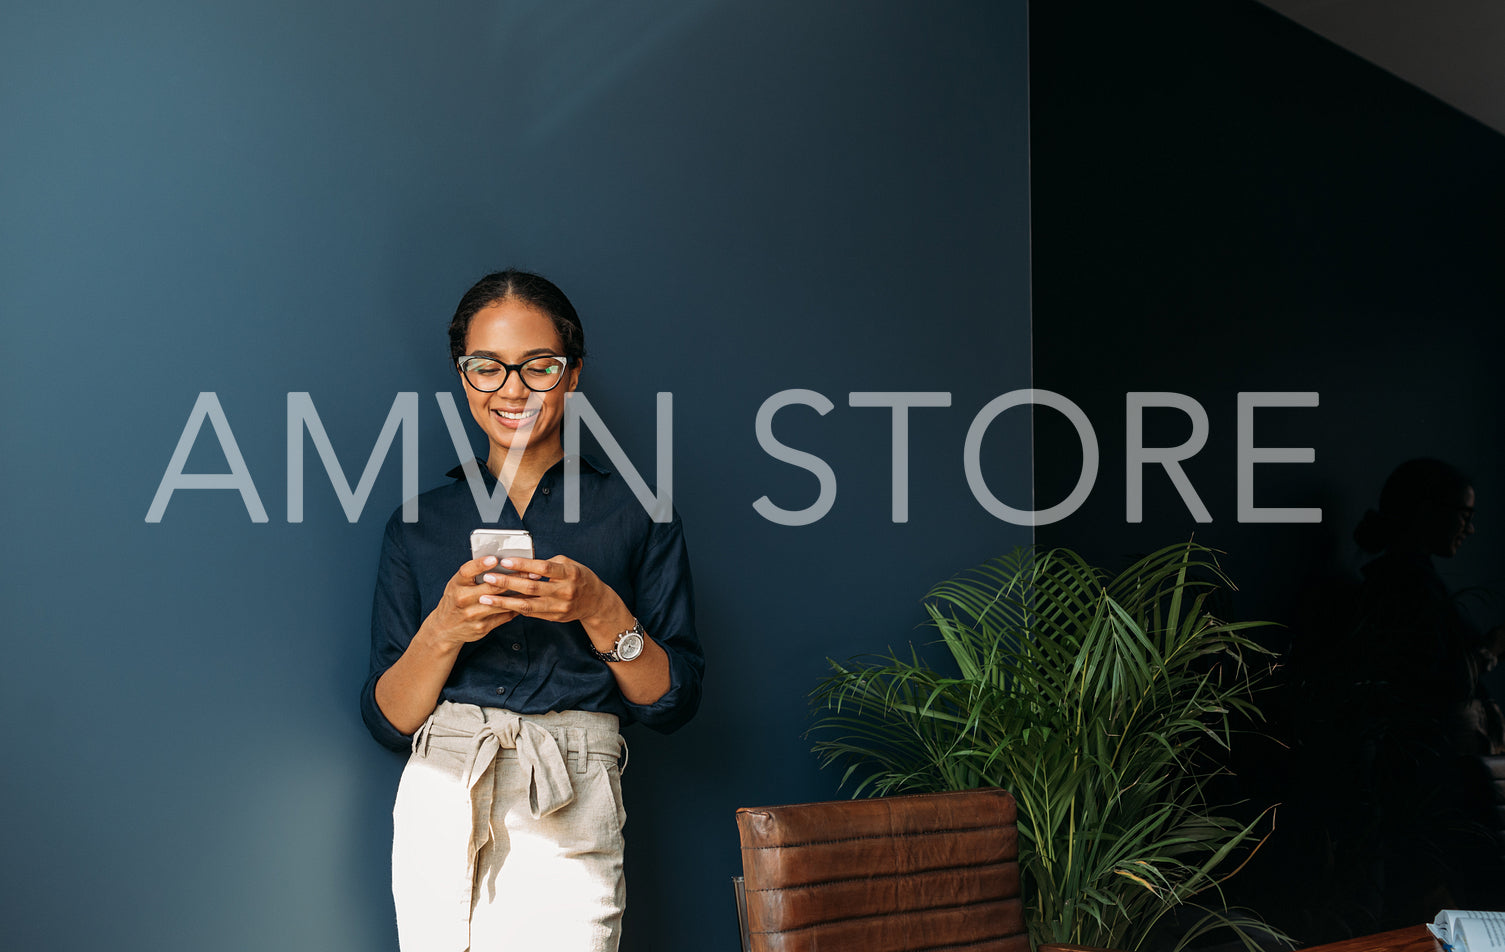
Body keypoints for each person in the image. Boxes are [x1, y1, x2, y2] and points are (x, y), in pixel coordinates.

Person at [359, 269, 704, 952]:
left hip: (571, 783)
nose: (511, 389)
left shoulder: (638, 515)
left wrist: (601, 608)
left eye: (537, 366)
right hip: (443, 785)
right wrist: (444, 630)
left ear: (571, 374)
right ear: (464, 377)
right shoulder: (418, 525)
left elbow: (673, 704)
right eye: (486, 368)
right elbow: (388, 720)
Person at [1347, 458, 1504, 923]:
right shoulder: (1403, 585)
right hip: (1428, 783)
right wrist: (1491, 649)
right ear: (1427, 512)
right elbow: (1438, 681)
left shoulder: (1414, 582)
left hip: (1435, 779)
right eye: (1464, 515)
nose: (1470, 530)